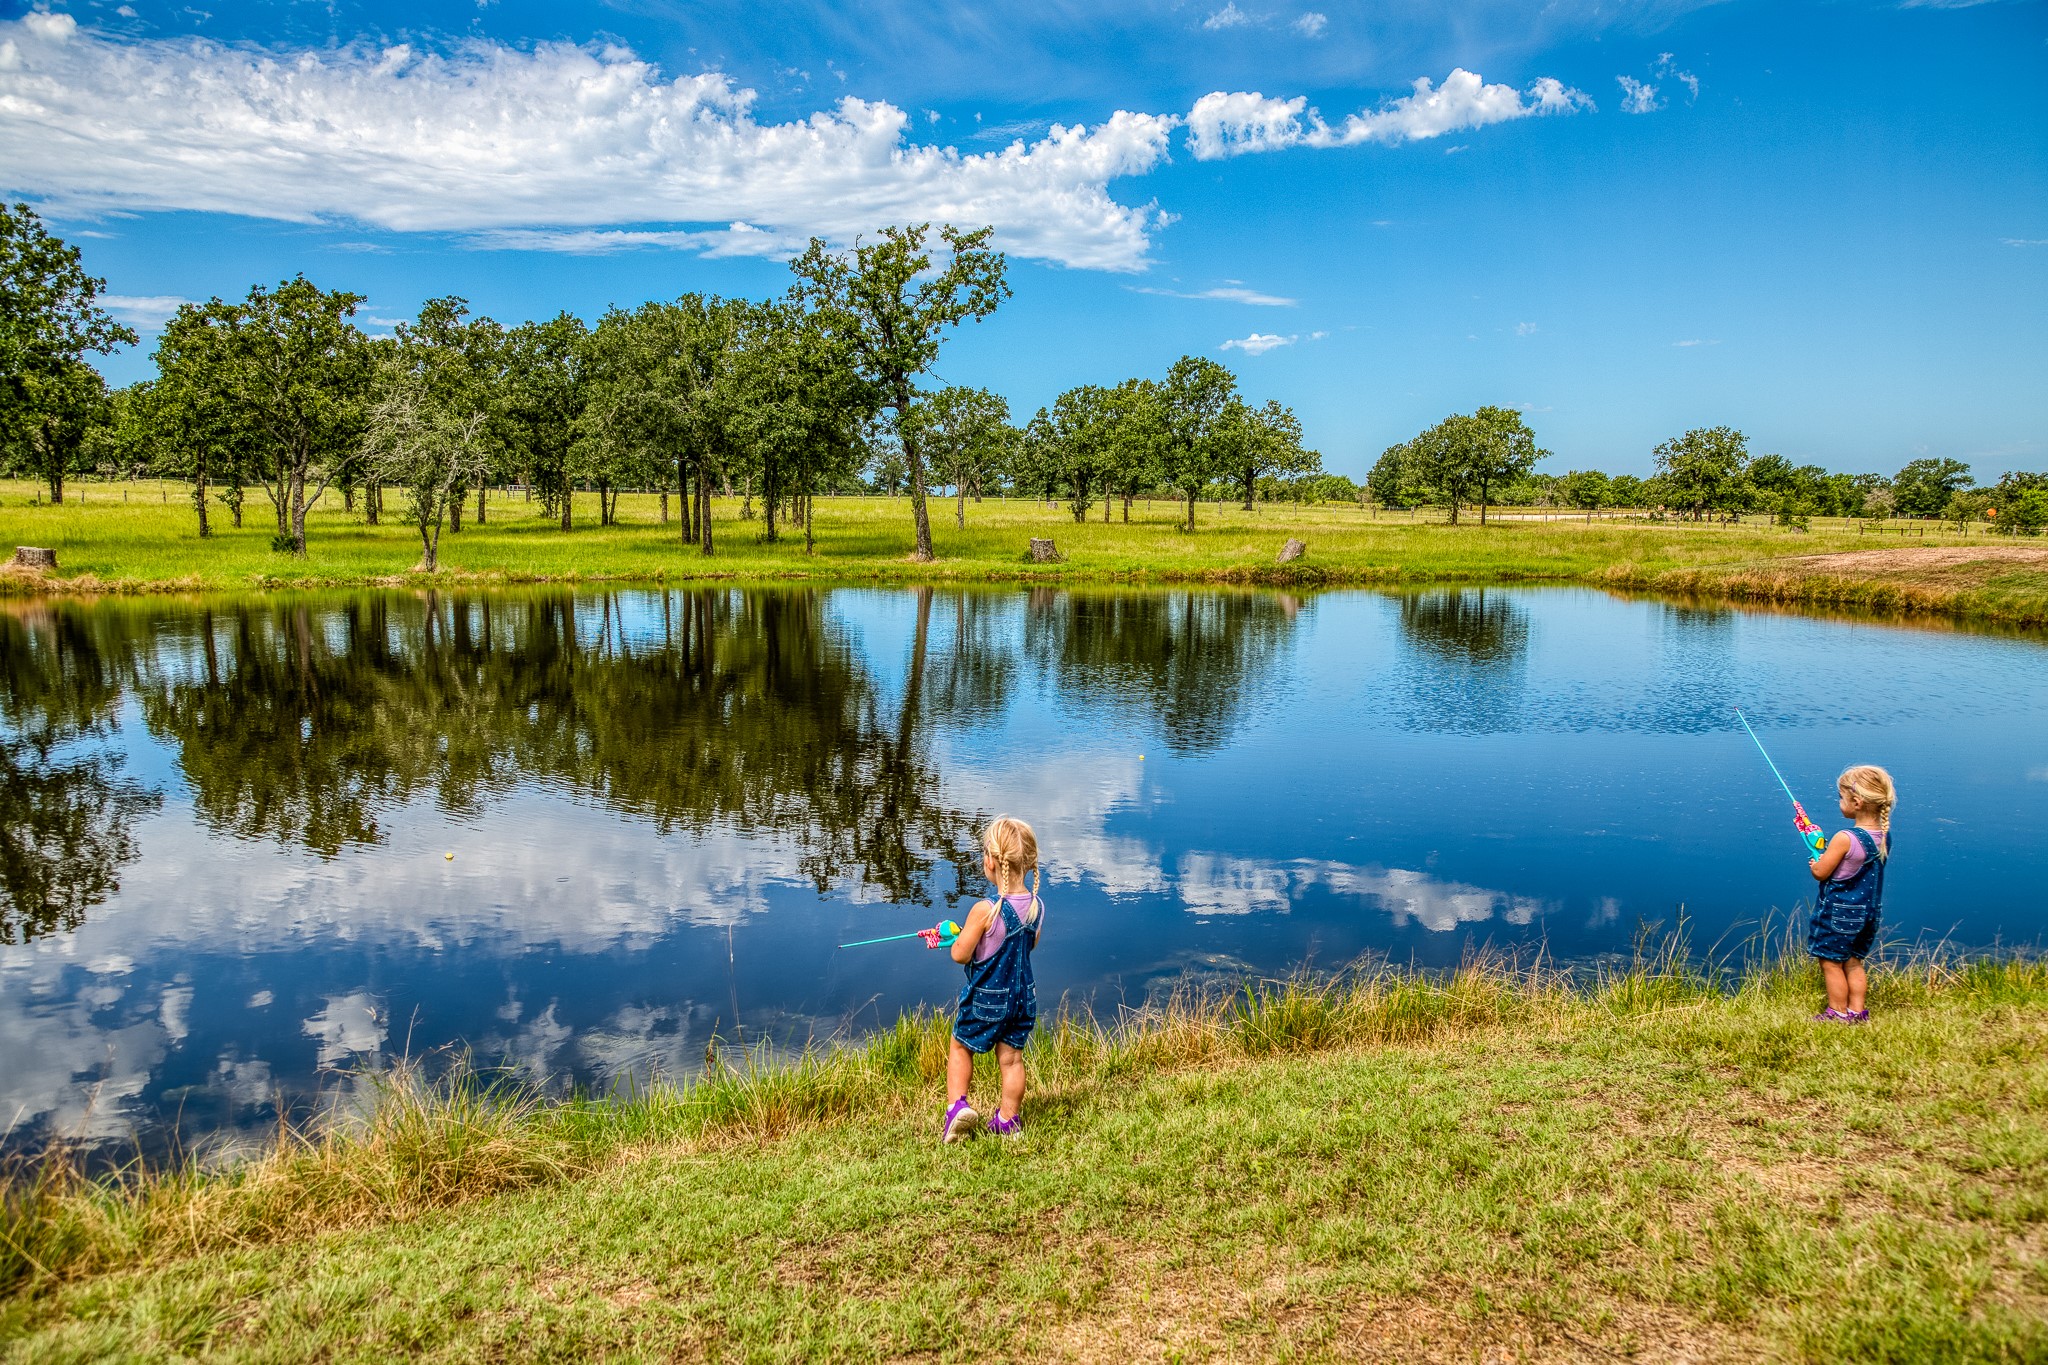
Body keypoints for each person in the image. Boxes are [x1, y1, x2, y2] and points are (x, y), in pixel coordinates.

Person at [941, 816, 1045, 1142]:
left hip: (988, 998)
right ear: (1028, 862)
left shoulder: (984, 910)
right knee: (1012, 1059)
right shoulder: (1036, 907)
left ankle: (957, 1109)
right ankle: (1007, 1121)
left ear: (990, 861)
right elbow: (1030, 943)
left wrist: (955, 939)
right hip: (1023, 999)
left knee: (960, 1046)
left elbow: (960, 954)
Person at [1806, 765, 1895, 1023]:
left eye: (1841, 797)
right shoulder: (1884, 836)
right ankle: (1857, 1012)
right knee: (1854, 961)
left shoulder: (1844, 838)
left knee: (1831, 962)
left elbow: (1822, 872)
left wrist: (1816, 862)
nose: (1839, 802)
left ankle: (1837, 1012)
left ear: (1856, 802)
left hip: (1841, 914)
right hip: (1869, 915)